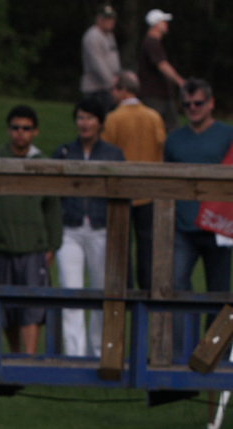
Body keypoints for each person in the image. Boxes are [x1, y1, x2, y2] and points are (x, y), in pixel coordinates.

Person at [0, 105, 63, 356]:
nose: (20, 133)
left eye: (26, 128)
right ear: (9, 130)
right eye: (15, 128)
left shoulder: (44, 164)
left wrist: (53, 244)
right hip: (0, 246)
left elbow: (53, 208)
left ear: (35, 132)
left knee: (32, 305)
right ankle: (14, 354)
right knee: (5, 308)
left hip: (33, 247)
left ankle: (29, 358)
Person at [165, 79, 233, 360]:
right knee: (176, 285)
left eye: (198, 103)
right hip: (182, 226)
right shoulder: (174, 139)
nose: (192, 108)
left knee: (220, 294)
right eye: (187, 104)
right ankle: (181, 353)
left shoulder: (229, 136)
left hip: (218, 225)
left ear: (211, 103)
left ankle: (216, 353)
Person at [52, 98, 125, 358]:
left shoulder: (113, 155)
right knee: (71, 292)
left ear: (100, 122)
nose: (84, 123)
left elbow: (122, 195)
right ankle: (74, 355)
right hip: (69, 231)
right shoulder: (63, 152)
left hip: (101, 230)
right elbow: (52, 196)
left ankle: (98, 351)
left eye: (90, 118)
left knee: (100, 293)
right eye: (80, 117)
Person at [102, 71, 166, 291]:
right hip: (148, 190)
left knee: (122, 244)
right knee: (147, 245)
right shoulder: (153, 117)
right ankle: (147, 290)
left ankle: (125, 291)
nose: (111, 93)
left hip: (121, 190)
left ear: (123, 90)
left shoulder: (113, 119)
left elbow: (106, 152)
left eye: (114, 88)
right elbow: (160, 149)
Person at [139, 9, 185, 130]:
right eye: (163, 21)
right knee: (155, 128)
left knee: (171, 127)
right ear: (155, 24)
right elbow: (162, 65)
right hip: (154, 96)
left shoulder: (154, 43)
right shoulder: (151, 43)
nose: (166, 24)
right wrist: (180, 81)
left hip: (162, 95)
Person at [80, 4, 121, 110]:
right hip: (95, 89)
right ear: (99, 19)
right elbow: (97, 64)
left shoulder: (109, 35)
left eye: (112, 19)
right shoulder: (93, 36)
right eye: (106, 19)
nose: (110, 22)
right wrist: (112, 84)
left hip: (108, 88)